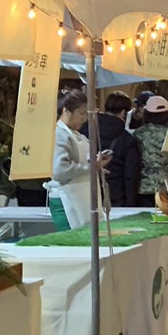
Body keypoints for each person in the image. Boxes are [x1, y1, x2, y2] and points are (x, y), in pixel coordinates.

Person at [46, 91, 112, 230]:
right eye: (81, 113)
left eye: (86, 114)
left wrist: (96, 162)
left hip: (81, 196)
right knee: (73, 241)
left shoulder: (75, 134)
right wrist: (91, 167)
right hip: (66, 199)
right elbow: (59, 170)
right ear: (66, 111)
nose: (85, 119)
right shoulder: (59, 134)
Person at [82, 91, 140, 210]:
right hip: (115, 192)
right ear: (123, 112)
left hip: (88, 187)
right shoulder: (127, 139)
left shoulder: (86, 129)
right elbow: (130, 173)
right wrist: (130, 203)